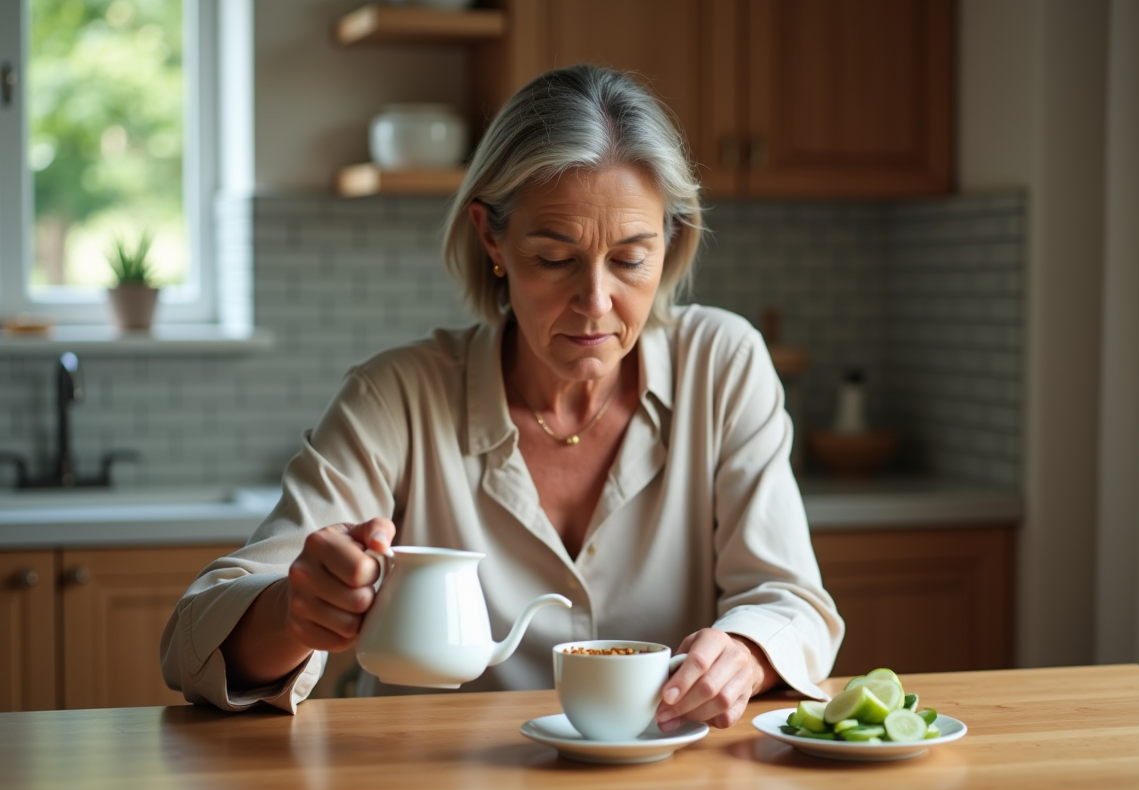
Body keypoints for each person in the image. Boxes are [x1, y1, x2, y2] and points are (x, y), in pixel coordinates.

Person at [161, 64, 844, 732]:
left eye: (631, 259)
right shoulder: (397, 395)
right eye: (555, 257)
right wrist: (294, 611)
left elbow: (790, 600)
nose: (596, 302)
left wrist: (747, 654)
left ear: (672, 240)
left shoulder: (723, 363)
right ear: (492, 235)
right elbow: (191, 641)